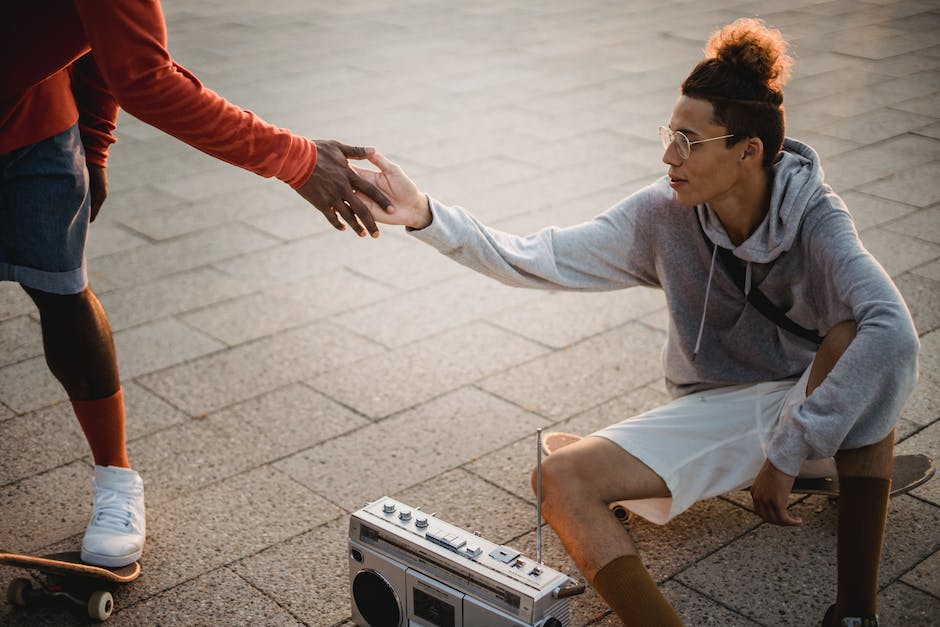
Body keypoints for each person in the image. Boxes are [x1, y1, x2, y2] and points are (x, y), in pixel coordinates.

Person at [354, 18, 918, 626]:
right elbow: (538, 257)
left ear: (748, 150)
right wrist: (425, 214)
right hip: (719, 408)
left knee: (861, 339)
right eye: (670, 134)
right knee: (558, 477)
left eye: (689, 141)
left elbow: (893, 332)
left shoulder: (817, 220)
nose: (669, 156)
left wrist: (790, 448)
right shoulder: (662, 213)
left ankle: (855, 614)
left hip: (808, 402)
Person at [0, 1, 390, 568]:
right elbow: (148, 80)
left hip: (36, 127)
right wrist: (300, 160)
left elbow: (113, 42)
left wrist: (94, 138)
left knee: (63, 292)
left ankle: (115, 478)